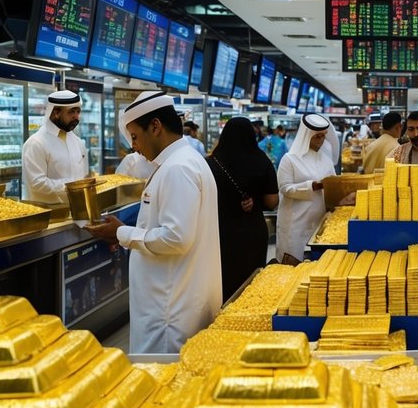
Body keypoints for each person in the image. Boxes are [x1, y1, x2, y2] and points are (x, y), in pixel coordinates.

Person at [85, 92, 221, 353]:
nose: (134, 147)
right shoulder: (184, 162)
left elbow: (176, 237)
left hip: (169, 313)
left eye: (135, 137)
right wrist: (123, 234)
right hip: (174, 303)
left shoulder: (177, 168)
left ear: (156, 126)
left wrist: (123, 233)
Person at [206, 116, 279, 302]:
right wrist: (256, 203)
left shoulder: (210, 163)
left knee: (224, 283)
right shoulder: (262, 160)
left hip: (219, 234)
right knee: (251, 284)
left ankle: (221, 324)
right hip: (253, 232)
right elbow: (272, 201)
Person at [275, 114, 336, 264]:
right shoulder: (289, 159)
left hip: (319, 223)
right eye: (317, 137)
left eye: (323, 136)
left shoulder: (326, 160)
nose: (321, 140)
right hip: (295, 226)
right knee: (292, 268)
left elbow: (333, 185)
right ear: (306, 136)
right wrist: (311, 186)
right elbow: (285, 188)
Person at [22, 90, 90, 205]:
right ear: (56, 113)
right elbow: (37, 183)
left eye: (78, 111)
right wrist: (73, 185)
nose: (76, 117)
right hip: (50, 218)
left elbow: (84, 176)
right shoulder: (36, 143)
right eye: (71, 112)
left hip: (79, 212)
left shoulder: (77, 142)